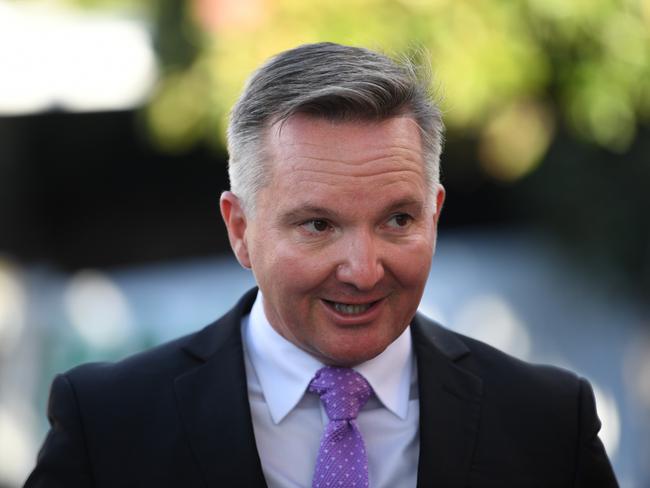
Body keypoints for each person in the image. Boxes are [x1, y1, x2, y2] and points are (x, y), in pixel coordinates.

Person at [25, 42, 618, 488]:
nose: (363, 270)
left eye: (397, 221)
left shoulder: (546, 423)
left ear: (434, 215)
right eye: (317, 225)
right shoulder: (109, 425)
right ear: (241, 231)